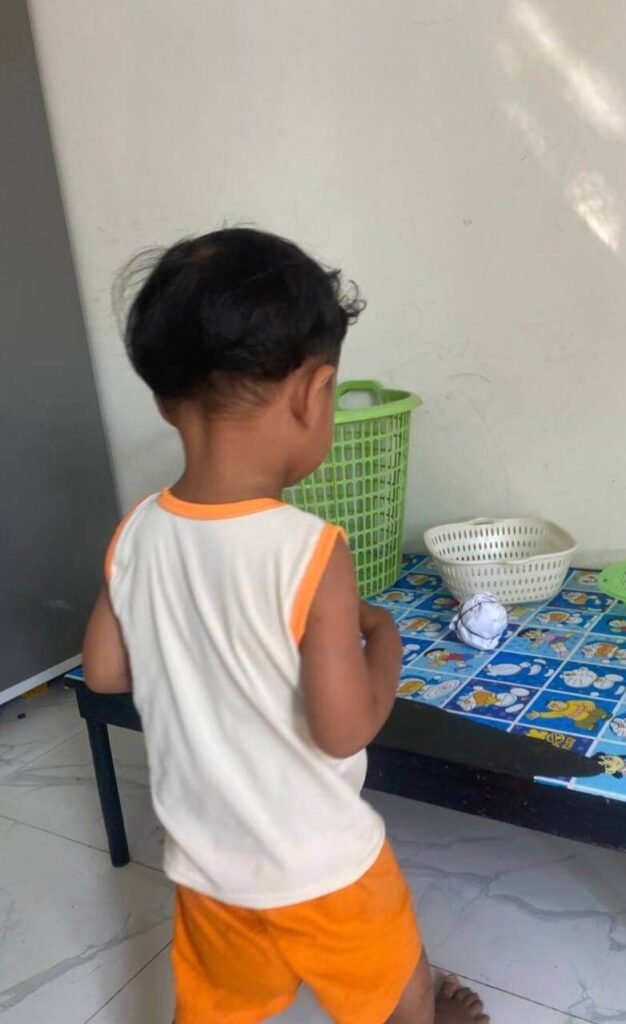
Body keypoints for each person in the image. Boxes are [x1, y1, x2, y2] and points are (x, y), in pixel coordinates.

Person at [81, 228, 489, 1024]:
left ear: (165, 400)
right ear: (313, 393)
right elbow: (342, 731)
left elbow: (103, 671)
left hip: (206, 869)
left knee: (215, 1008)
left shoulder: (135, 533)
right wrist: (386, 646)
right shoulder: (311, 550)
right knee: (396, 982)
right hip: (325, 869)